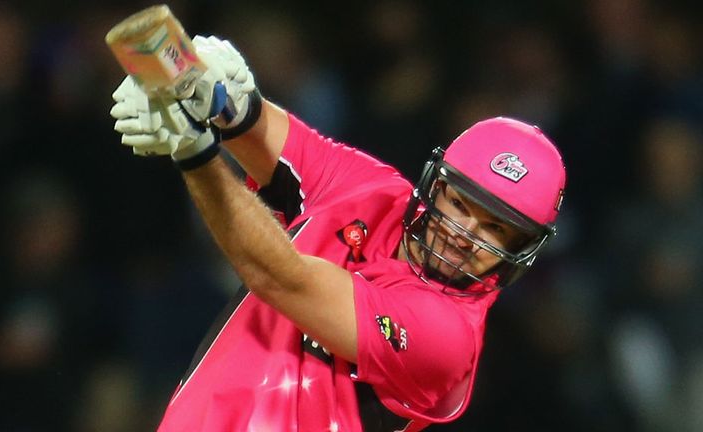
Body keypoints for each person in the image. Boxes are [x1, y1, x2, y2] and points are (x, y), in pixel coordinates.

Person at [109, 35, 566, 431]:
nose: (464, 234)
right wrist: (201, 86)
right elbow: (257, 128)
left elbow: (280, 277)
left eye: (495, 229)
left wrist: (192, 147)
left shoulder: (447, 339)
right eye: (460, 204)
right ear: (436, 187)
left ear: (519, 250)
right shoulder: (374, 190)